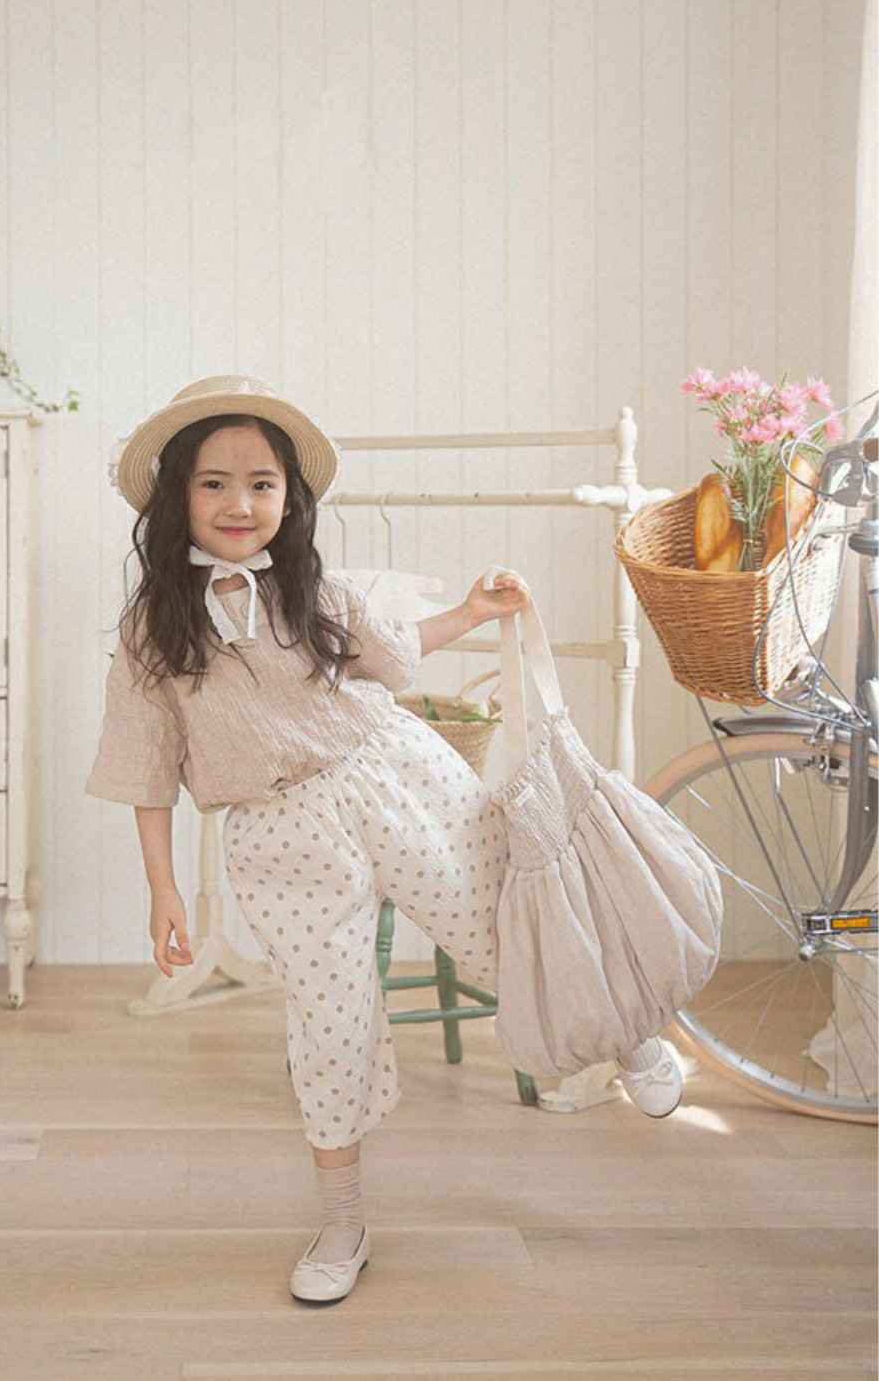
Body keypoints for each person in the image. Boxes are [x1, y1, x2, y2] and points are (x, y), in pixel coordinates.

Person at [85, 374, 682, 1304]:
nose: (240, 503)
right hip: (276, 835)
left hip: (391, 775)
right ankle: (344, 1222)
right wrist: (163, 890)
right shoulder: (150, 633)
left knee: (503, 928)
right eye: (213, 483)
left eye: (261, 483)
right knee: (329, 1025)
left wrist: (473, 614)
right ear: (177, 498)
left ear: (290, 498)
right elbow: (144, 769)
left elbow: (397, 656)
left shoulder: (319, 590)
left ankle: (629, 1034)